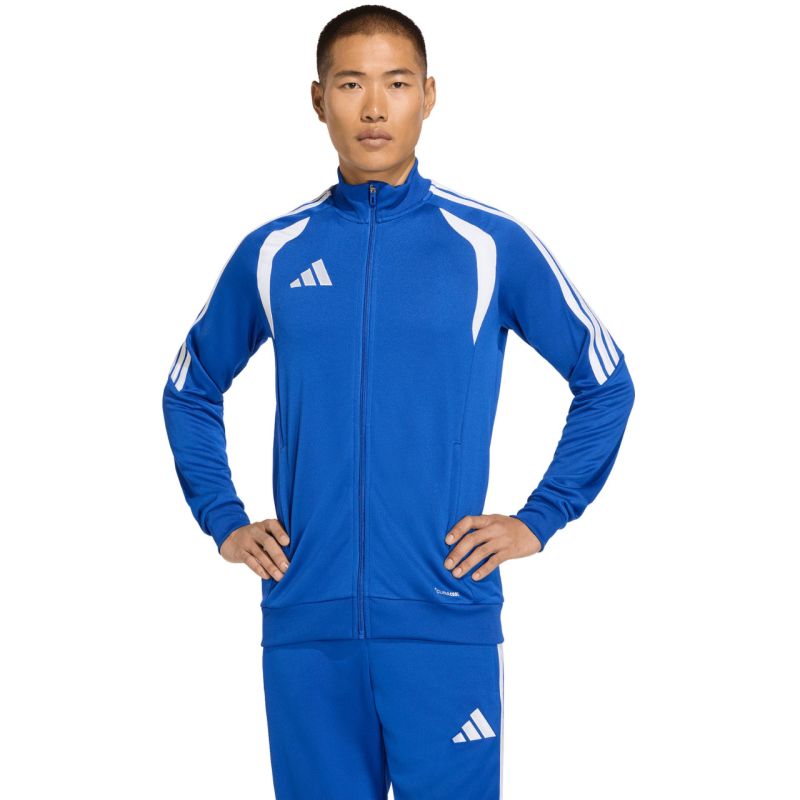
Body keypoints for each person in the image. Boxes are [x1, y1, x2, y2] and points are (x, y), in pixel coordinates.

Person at [162, 5, 635, 798]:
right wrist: (225, 520)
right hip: (307, 625)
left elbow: (606, 382)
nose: (375, 108)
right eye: (352, 84)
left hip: (443, 617)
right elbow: (190, 388)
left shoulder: (488, 245)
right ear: (319, 100)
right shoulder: (274, 251)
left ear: (429, 95)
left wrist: (540, 518)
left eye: (397, 83)